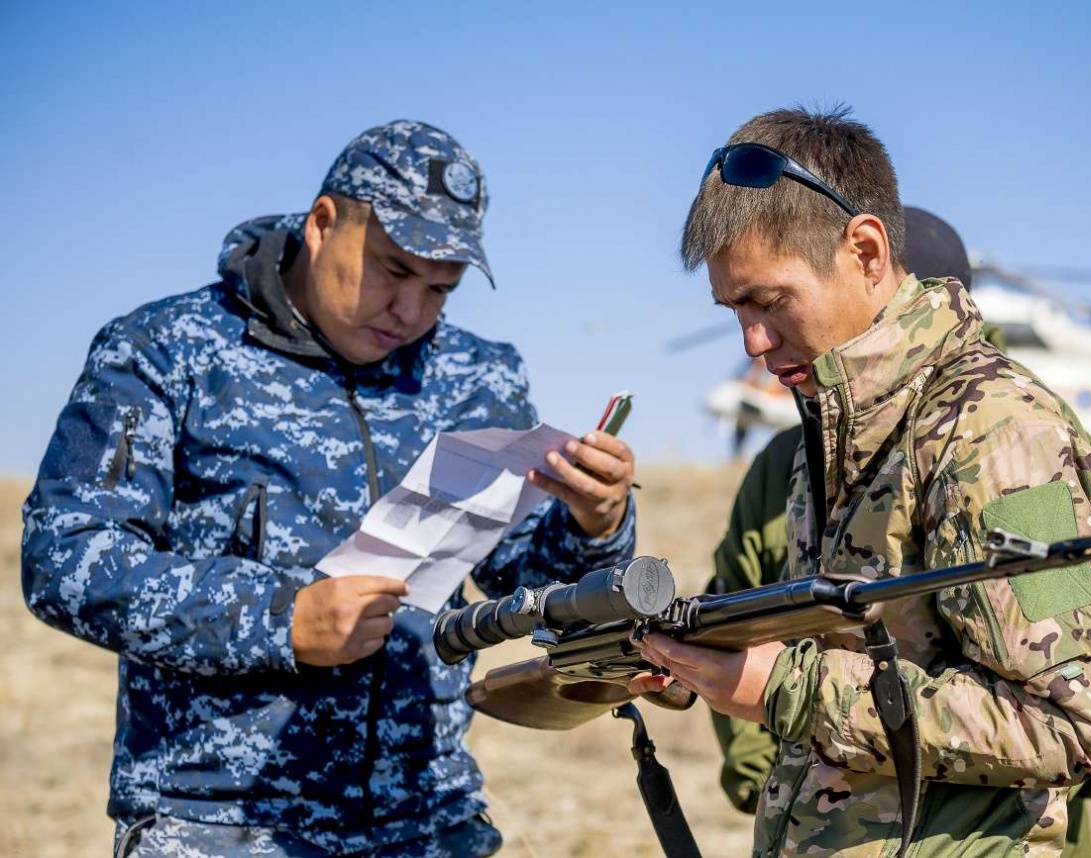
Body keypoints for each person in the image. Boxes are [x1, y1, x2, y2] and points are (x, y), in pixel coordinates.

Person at [22, 120, 637, 858]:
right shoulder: (166, 350)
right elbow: (64, 559)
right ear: (322, 224)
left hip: (431, 818)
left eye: (442, 289)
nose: (412, 311)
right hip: (219, 824)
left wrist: (594, 523)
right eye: (393, 271)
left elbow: (524, 586)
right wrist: (281, 621)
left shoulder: (479, 375)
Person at [630, 107, 1091, 857]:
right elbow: (855, 650)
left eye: (769, 302)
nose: (753, 343)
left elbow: (1067, 723)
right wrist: (705, 661)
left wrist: (781, 690)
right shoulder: (830, 431)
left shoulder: (1006, 437)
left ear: (865, 251)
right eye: (735, 310)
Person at [704, 207, 1091, 856]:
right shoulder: (803, 455)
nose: (758, 343)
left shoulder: (1013, 442)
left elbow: (1073, 709)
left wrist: (1063, 792)